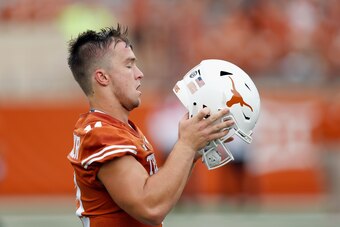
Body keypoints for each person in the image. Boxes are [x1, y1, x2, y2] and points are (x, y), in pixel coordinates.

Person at [67, 24, 234, 227]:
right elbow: (150, 207)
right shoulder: (102, 134)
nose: (139, 74)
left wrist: (193, 151)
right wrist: (186, 145)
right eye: (129, 65)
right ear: (102, 77)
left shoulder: (116, 128)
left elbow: (158, 194)